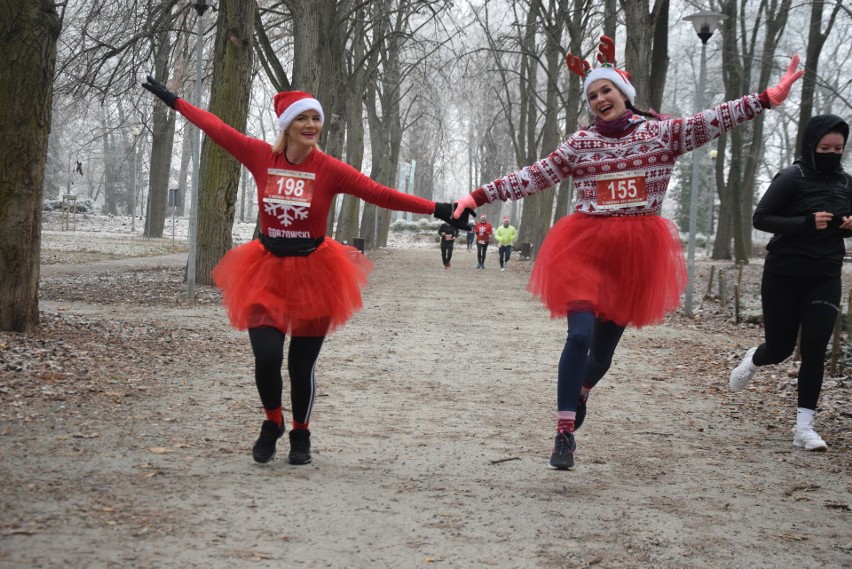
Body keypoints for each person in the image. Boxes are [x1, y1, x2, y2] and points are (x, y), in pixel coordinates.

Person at [451, 36, 804, 470]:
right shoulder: (580, 144)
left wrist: (767, 98)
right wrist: (476, 196)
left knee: (601, 355)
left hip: (634, 256)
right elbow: (534, 176)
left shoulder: (661, 134)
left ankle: (581, 392)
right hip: (584, 246)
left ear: (624, 95)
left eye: (606, 91)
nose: (600, 99)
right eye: (593, 95)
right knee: (578, 336)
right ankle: (563, 435)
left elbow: (714, 119)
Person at [142, 77, 471, 465]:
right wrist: (176, 101)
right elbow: (216, 128)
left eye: (317, 118)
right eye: (304, 119)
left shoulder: (329, 168)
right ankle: (273, 421)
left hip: (315, 272)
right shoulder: (262, 156)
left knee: (301, 365)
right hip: (265, 270)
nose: (312, 125)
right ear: (287, 125)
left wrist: (440, 208)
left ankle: (301, 432)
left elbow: (379, 193)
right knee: (265, 357)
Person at [729, 114, 851, 452]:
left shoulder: (846, 183)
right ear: (811, 145)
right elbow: (761, 218)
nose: (831, 153)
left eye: (838, 148)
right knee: (780, 349)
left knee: (815, 350)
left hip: (825, 274)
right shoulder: (791, 178)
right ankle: (754, 359)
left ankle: (804, 428)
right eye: (824, 147)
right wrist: (805, 223)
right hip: (784, 273)